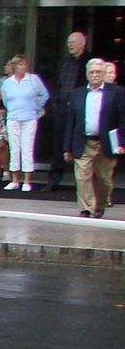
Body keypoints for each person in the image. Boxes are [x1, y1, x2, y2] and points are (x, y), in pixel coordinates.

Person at [67, 57, 124, 218]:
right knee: (82, 176)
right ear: (86, 74)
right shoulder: (77, 94)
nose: (94, 75)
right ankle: (86, 208)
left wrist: (122, 142)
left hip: (106, 143)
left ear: (104, 73)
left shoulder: (117, 92)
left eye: (98, 72)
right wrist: (67, 148)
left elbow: (122, 120)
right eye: (91, 72)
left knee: (103, 179)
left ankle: (99, 205)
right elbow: (71, 123)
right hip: (84, 142)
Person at [0, 55, 48, 192]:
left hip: (29, 118)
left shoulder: (33, 79)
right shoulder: (7, 82)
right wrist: (12, 110)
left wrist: (35, 107)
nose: (23, 67)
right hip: (13, 118)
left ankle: (27, 180)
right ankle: (15, 180)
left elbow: (45, 95)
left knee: (27, 148)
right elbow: (6, 100)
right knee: (14, 148)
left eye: (25, 64)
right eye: (20, 64)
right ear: (15, 67)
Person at [48, 31, 88, 191]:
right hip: (62, 106)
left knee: (81, 143)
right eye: (68, 42)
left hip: (80, 109)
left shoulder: (88, 63)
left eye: (73, 42)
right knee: (58, 142)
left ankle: (82, 182)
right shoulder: (64, 62)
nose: (70, 45)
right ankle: (53, 180)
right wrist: (55, 99)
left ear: (82, 43)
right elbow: (57, 82)